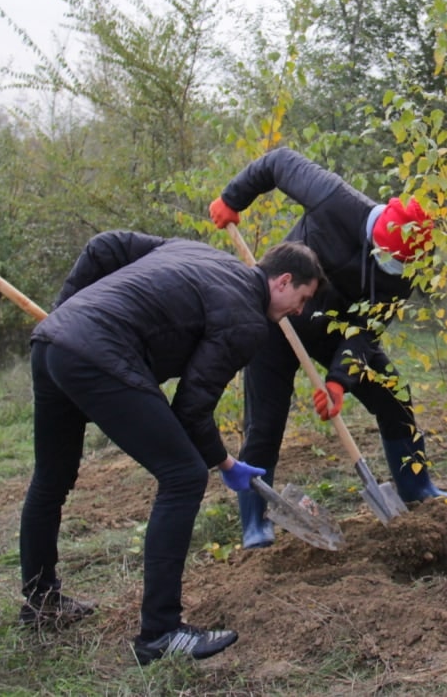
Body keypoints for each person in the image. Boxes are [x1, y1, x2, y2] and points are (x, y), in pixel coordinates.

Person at [18, 231, 325, 665]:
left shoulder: (192, 249)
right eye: (302, 297)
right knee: (182, 477)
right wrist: (223, 462)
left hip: (52, 342)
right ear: (283, 280)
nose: (300, 310)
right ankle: (160, 633)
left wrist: (66, 312)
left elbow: (105, 245)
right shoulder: (248, 322)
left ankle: (41, 601)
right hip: (101, 351)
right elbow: (191, 410)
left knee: (51, 479)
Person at [208, 148, 447, 550]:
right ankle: (255, 521)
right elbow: (276, 163)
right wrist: (232, 198)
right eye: (387, 262)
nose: (390, 272)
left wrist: (340, 381)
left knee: (393, 393)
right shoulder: (333, 197)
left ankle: (418, 488)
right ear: (377, 234)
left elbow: (365, 331)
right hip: (277, 320)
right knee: (265, 421)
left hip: (338, 332)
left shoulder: (409, 266)